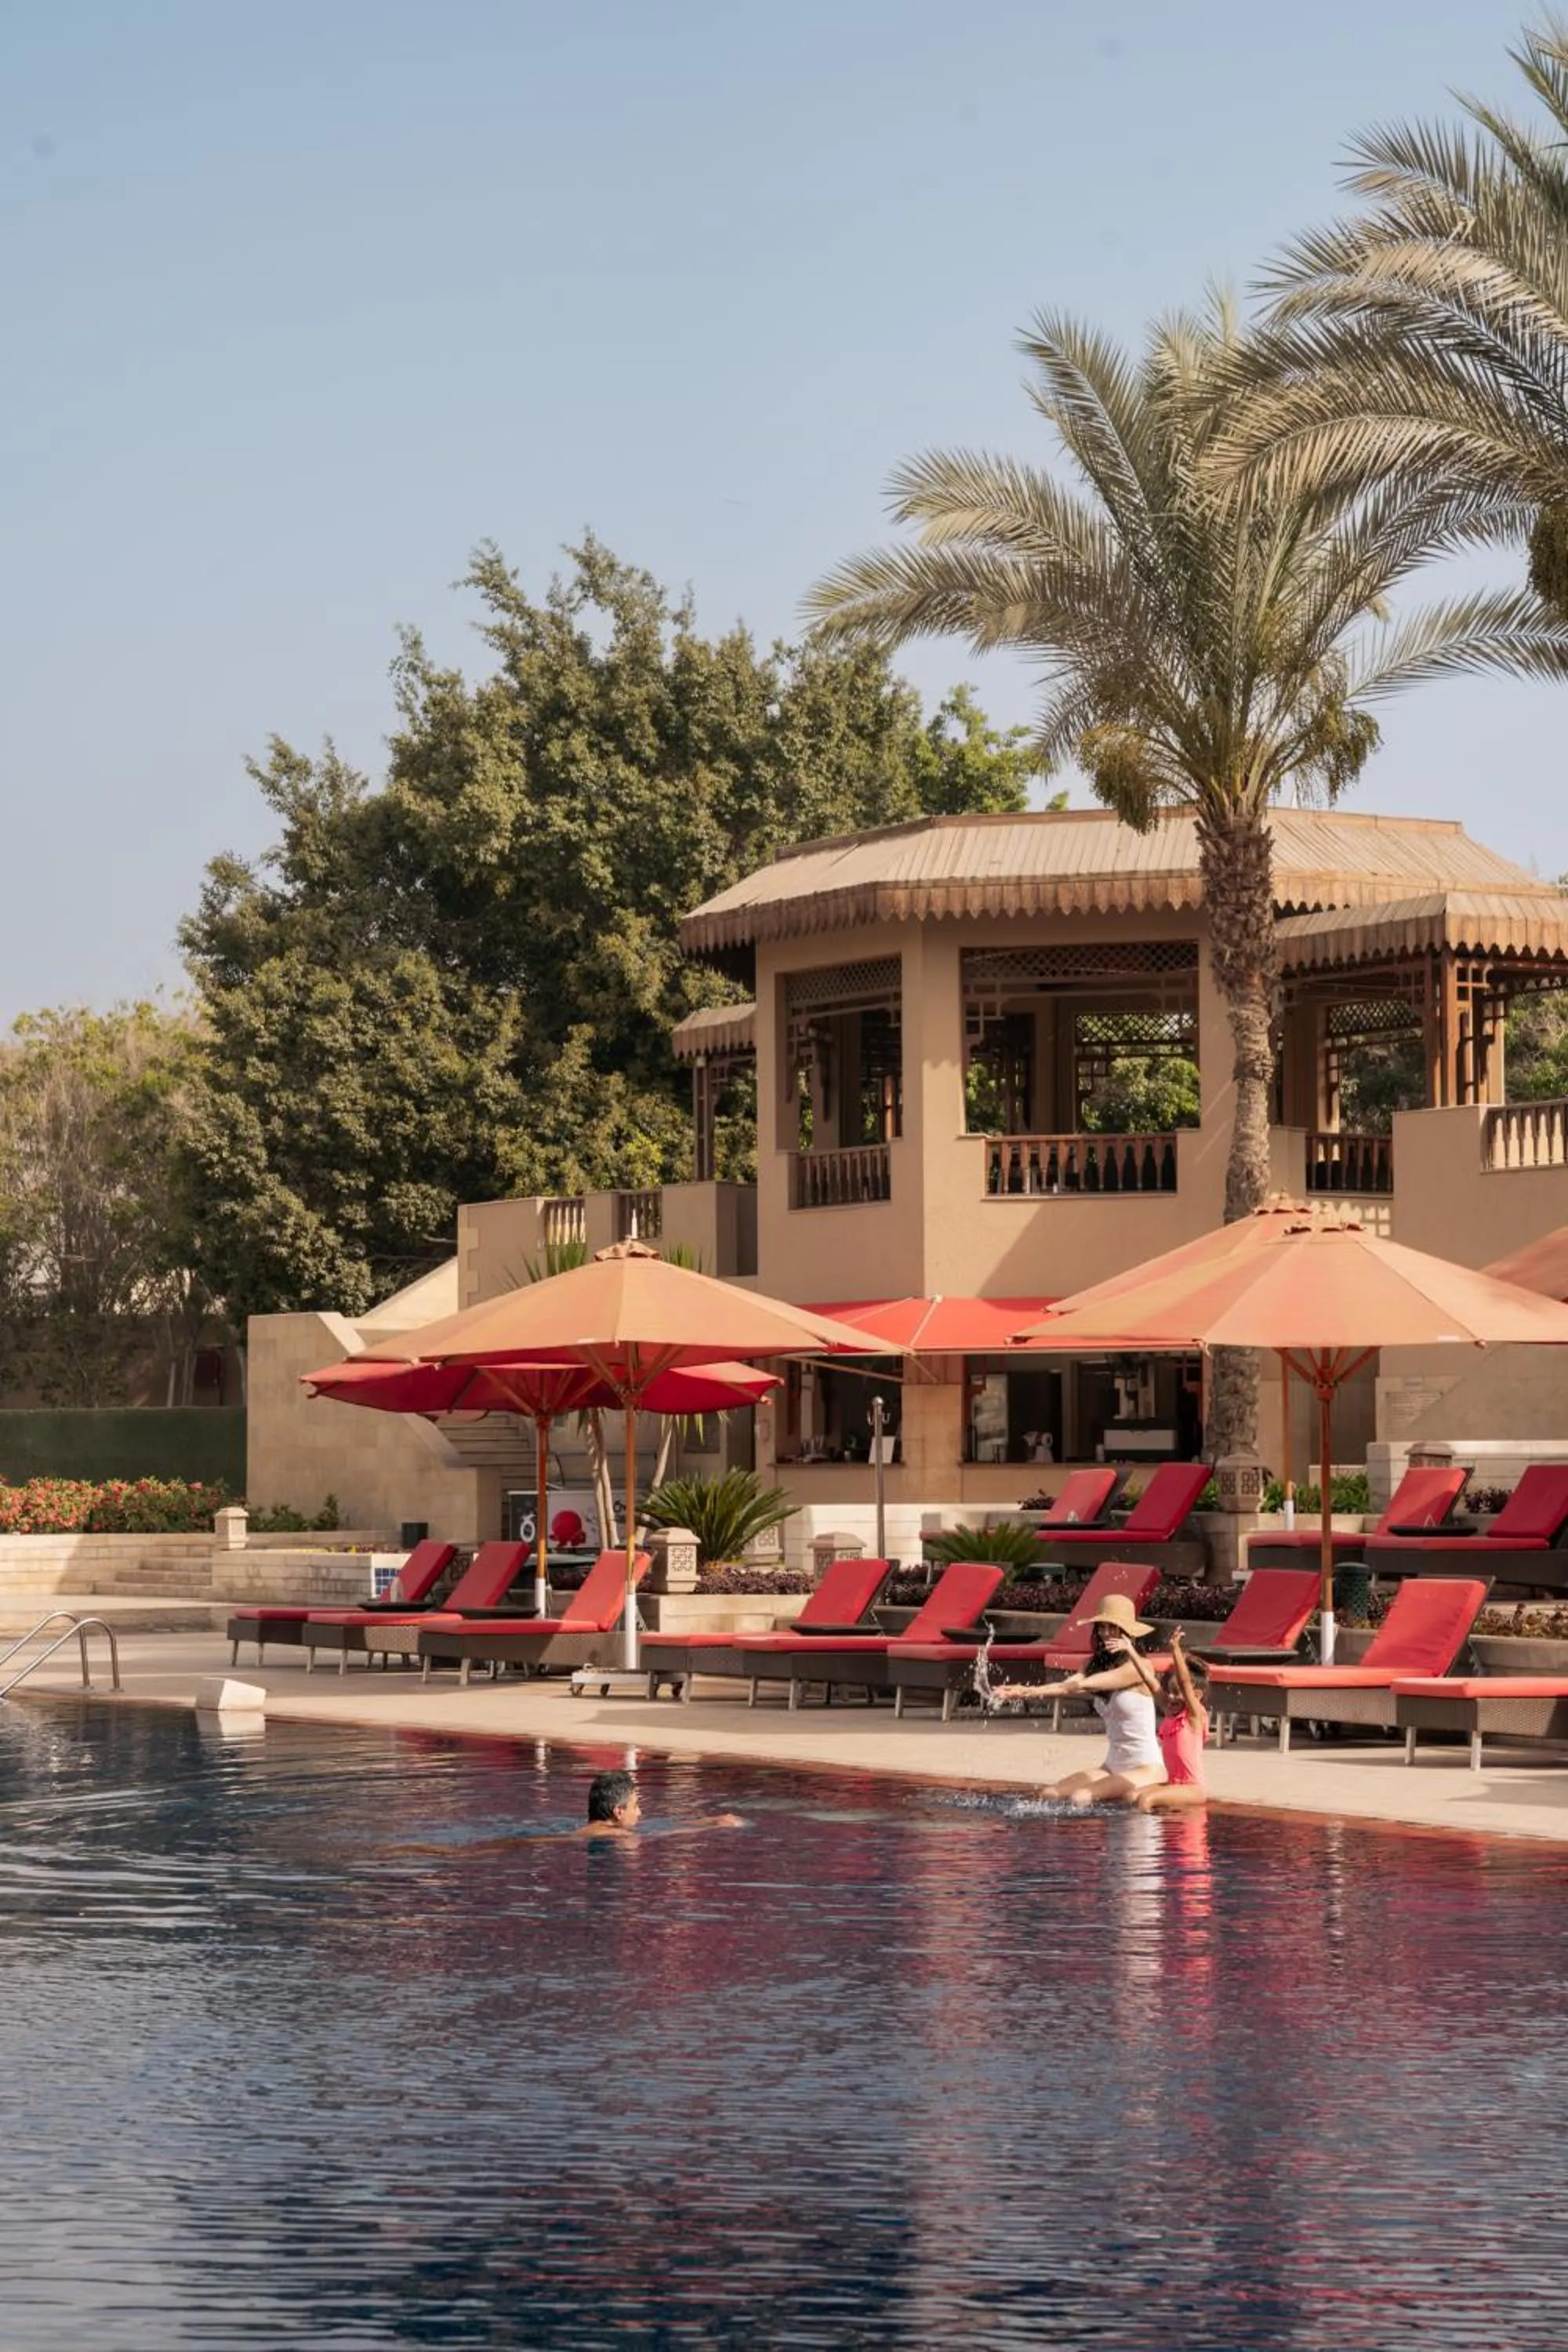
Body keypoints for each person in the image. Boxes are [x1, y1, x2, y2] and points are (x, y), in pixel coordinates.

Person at [992, 1592, 1167, 1807]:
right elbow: (1065, 1687)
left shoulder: (1140, 1667)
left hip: (1145, 1768)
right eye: (1101, 1627)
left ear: (1127, 1633)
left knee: (1080, 1797)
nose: (1105, 1633)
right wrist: (1023, 1691)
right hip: (1112, 1765)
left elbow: (1085, 1684)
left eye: (1112, 1627)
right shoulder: (1090, 1664)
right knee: (1051, 1794)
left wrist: (1029, 1691)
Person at [1135, 1631, 1210, 1814]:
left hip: (1193, 1788)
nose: (1171, 1697)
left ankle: (1148, 1839)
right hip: (1173, 1784)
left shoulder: (1193, 1717)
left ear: (1197, 1696)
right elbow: (1150, 1680)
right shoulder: (1171, 1713)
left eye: (1177, 1693)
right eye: (1170, 1691)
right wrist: (1130, 1650)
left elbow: (1185, 1682)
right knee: (1131, 1795)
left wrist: (1175, 1649)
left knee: (1147, 1799)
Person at [584, 1769, 742, 1837]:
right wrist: (714, 1827)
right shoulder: (617, 1835)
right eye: (636, 1806)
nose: (640, 1812)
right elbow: (661, 1833)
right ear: (619, 1812)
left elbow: (662, 1826)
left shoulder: (603, 1831)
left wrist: (712, 1820)